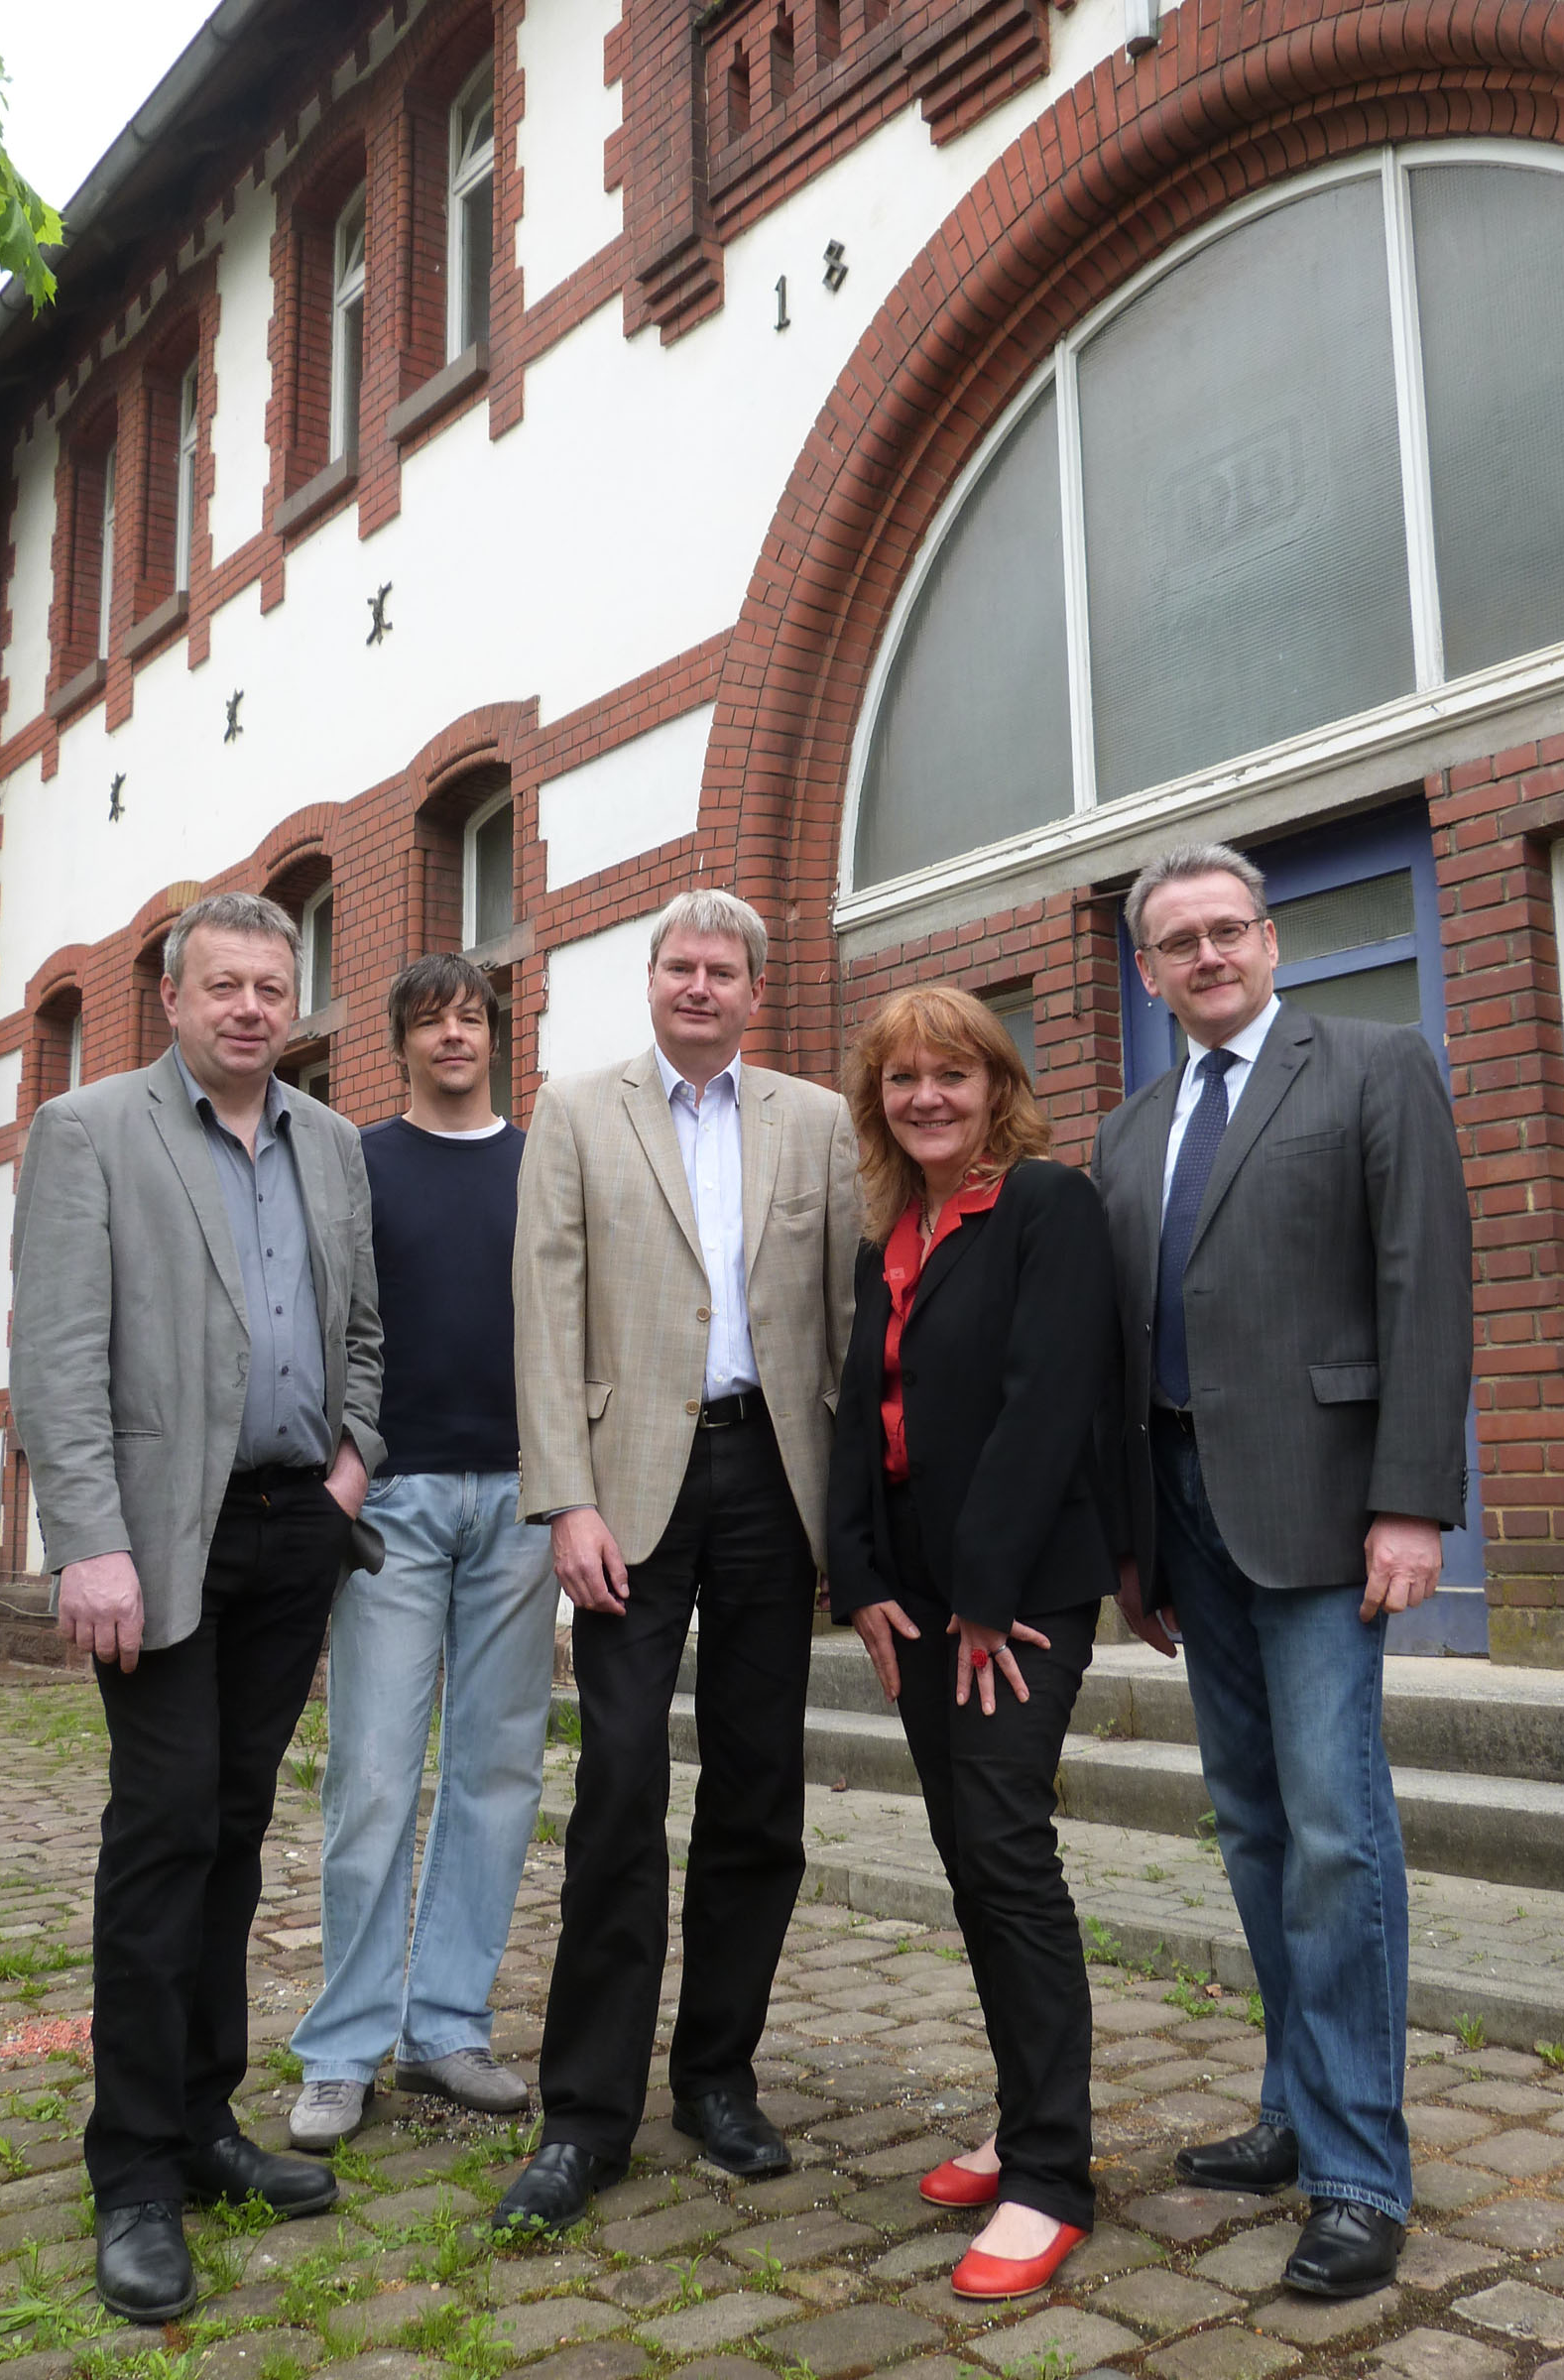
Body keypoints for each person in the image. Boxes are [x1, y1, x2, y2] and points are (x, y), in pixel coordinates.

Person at [1092, 840, 1473, 2301]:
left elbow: (1423, 1284)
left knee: (1334, 1831)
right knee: (1254, 1829)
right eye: (1177, 940)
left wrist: (1412, 1504)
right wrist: (1134, 1542)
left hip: (1323, 1511)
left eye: (1227, 929)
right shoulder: (1132, 1131)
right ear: (1148, 971)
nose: (1207, 955)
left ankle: (1360, 2174)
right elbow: (1127, 1344)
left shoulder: (1374, 1067)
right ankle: (1293, 2105)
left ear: (1270, 939)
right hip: (1187, 1516)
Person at [9, 892, 385, 2325]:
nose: (248, 1008)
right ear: (172, 1000)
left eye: (270, 987)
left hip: (296, 1530)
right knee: (163, 1830)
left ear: (294, 1000)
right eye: (222, 985)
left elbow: (364, 1331)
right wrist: (88, 1543)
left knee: (234, 1825)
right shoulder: (93, 1131)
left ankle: (206, 2118)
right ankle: (134, 2172)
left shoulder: (329, 1142)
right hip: (159, 1543)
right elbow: (56, 1351)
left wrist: (352, 1467)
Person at [494, 888, 860, 2235]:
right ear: (651, 981)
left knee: (759, 1793)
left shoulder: (816, 1123)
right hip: (628, 1489)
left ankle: (717, 2079)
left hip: (774, 1477)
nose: (699, 987)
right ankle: (586, 2115)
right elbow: (545, 1312)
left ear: (756, 992)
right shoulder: (577, 1112)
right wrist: (565, 1500)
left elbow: (844, 1318)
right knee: (619, 1788)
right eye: (679, 967)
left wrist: (851, 1522)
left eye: (723, 971)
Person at [826, 985, 1119, 2303]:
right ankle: (1021, 2116)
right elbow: (861, 1414)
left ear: (999, 1085)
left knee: (1006, 1849)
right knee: (968, 1856)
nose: (927, 1097)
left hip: (1018, 1599)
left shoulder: (1047, 1206)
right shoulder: (891, 1230)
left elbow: (1046, 1401)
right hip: (918, 1596)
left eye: (952, 1073)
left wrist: (985, 1600)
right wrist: (857, 1578)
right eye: (903, 1079)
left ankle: (1052, 2174)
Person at [287, 956, 556, 2150]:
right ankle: (342, 2050)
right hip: (392, 1500)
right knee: (375, 1777)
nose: (454, 1035)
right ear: (397, 1042)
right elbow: (327, 1323)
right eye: (430, 1020)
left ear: (497, 1034)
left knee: (498, 1773)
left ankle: (446, 2026)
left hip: (523, 1498)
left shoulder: (542, 1163)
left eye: (471, 1017)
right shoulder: (360, 1163)